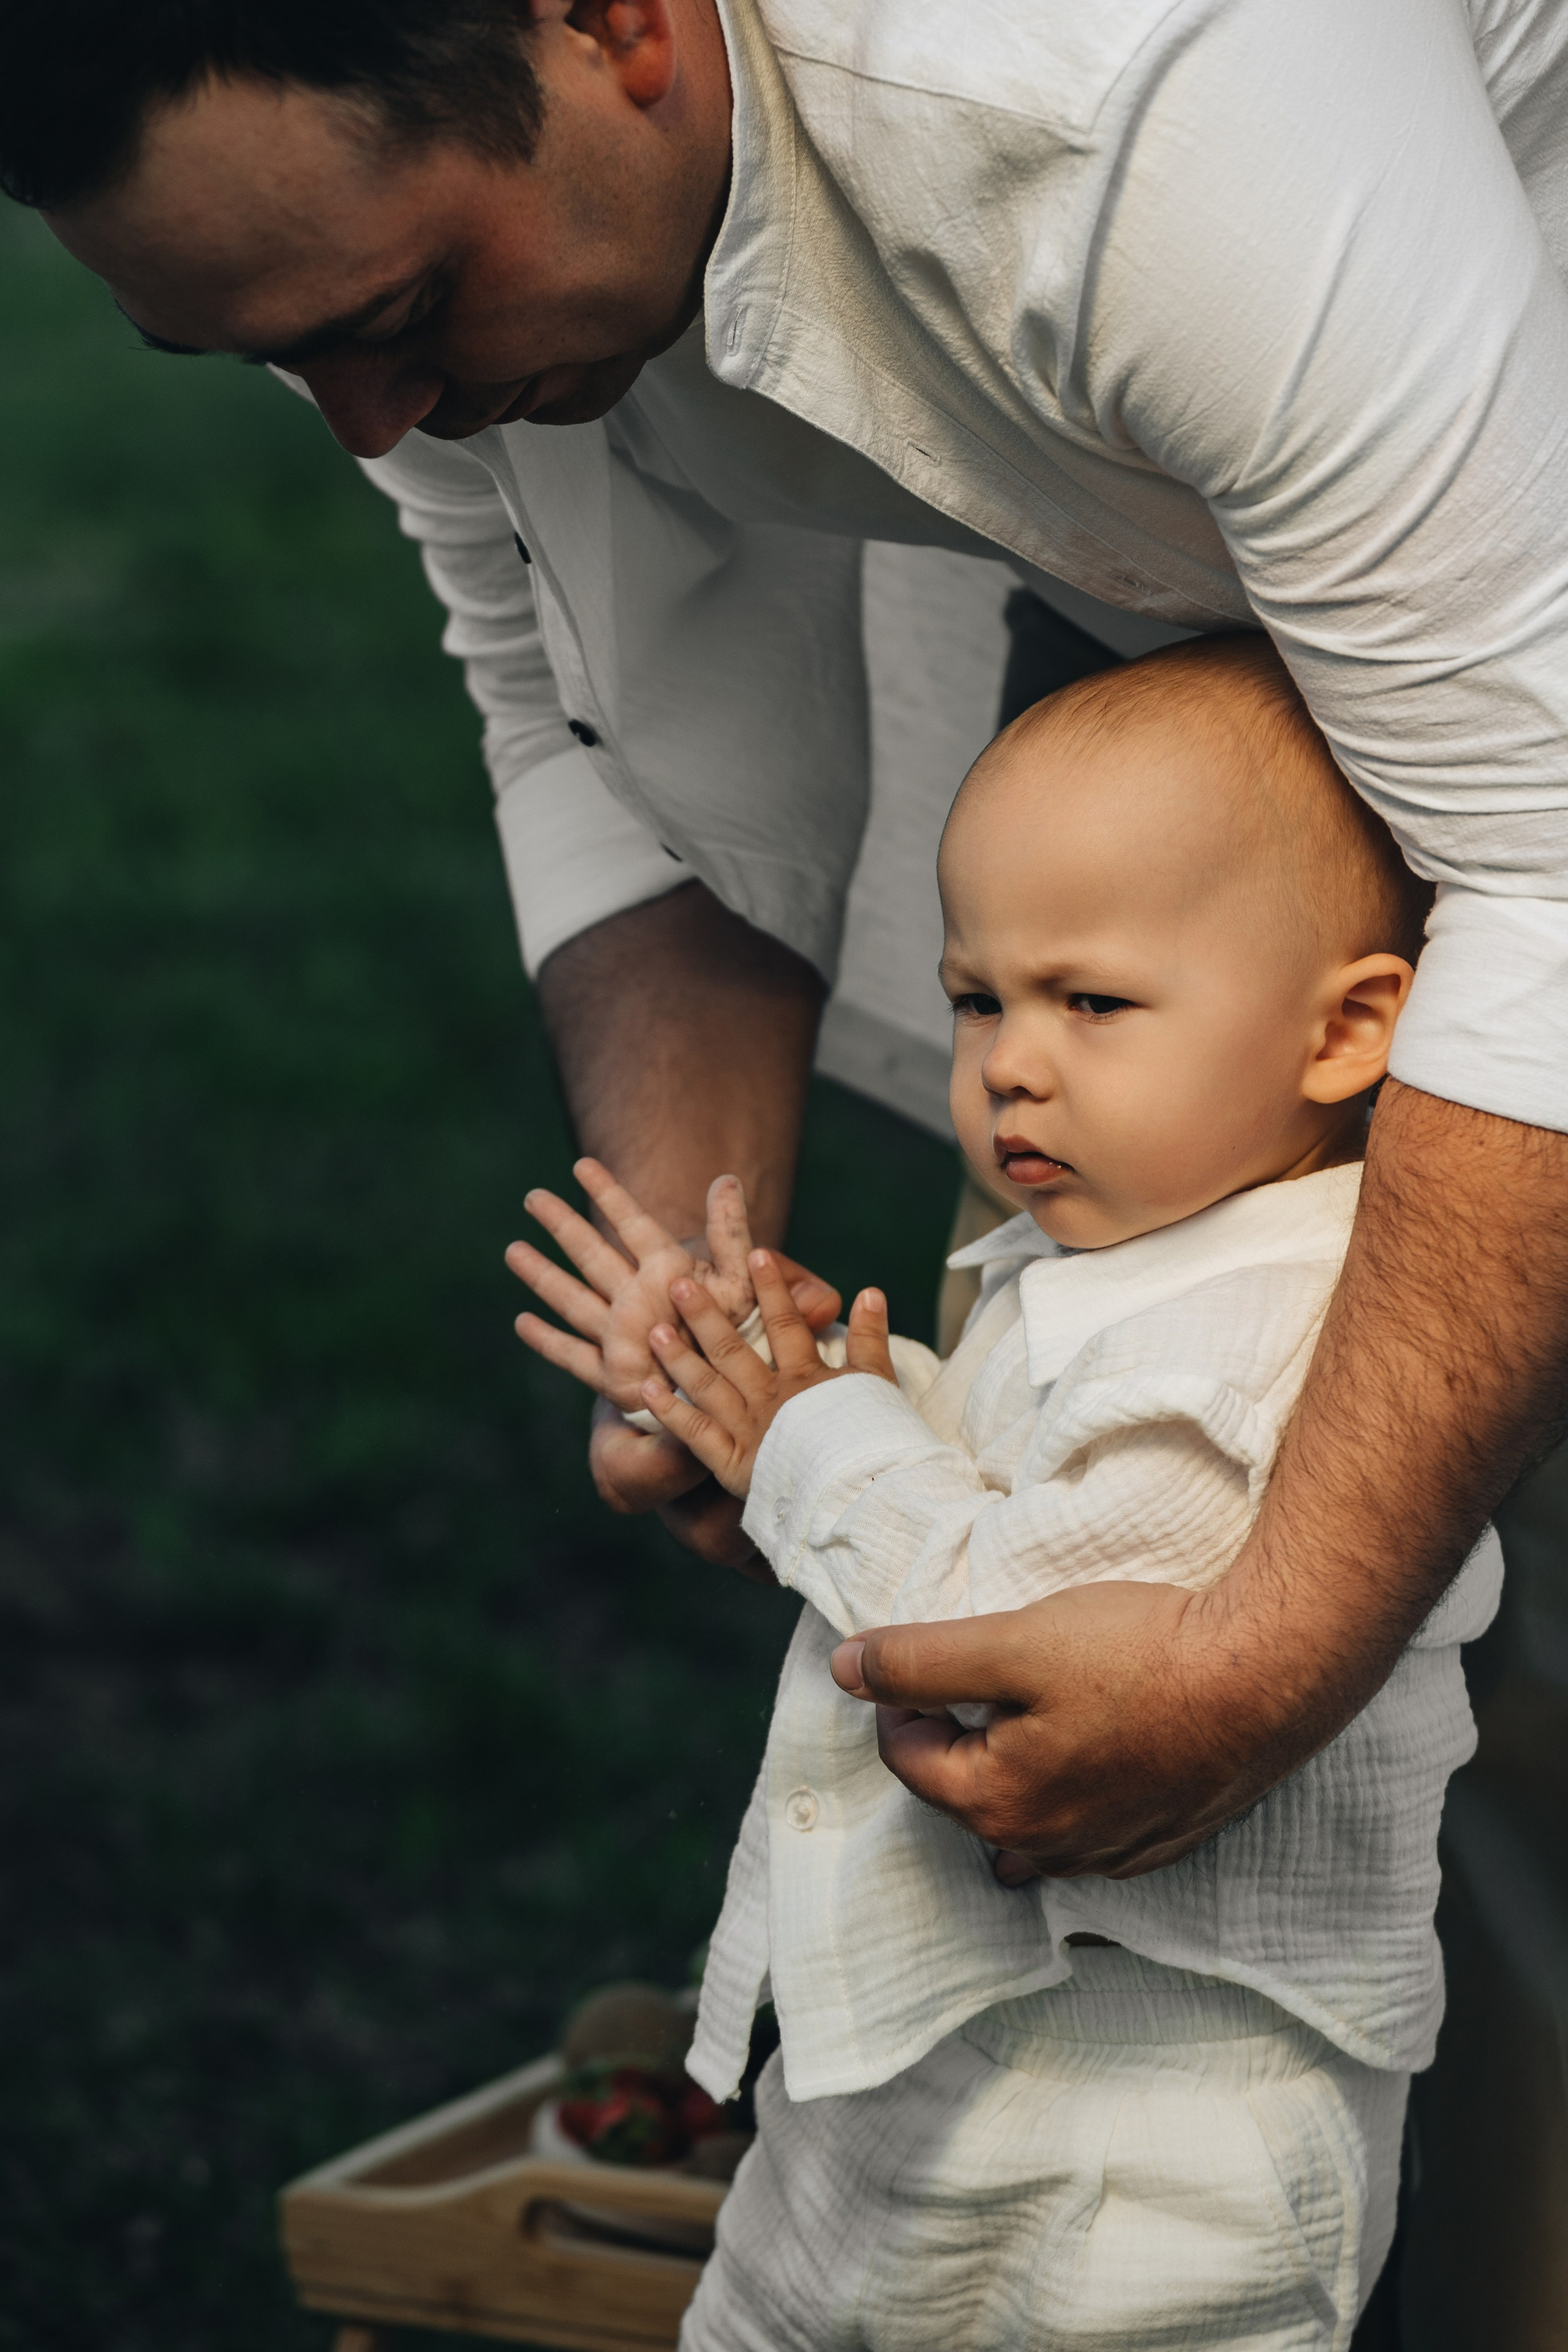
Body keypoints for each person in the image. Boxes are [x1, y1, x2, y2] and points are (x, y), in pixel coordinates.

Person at [4, 0, 1566, 1882]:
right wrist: (691, 1298)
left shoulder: (1155, 105)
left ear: (609, 26)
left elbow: (1549, 882)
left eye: (403, 315)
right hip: (1162, 538)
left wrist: (1265, 1660)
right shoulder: (365, 263)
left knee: (1399, 1557)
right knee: (1114, 1397)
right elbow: (576, 703)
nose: (368, 421)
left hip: (1495, 467)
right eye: (271, 355)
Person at [512, 640, 1498, 2348]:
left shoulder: (1292, 1329)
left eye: (1089, 1003)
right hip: (939, 2068)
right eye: (979, 1001)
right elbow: (996, 1484)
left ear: (1346, 1030)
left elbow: (1016, 1626)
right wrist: (800, 1395)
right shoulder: (1114, 1259)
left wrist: (812, 1443)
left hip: (1153, 2141)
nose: (1012, 1064)